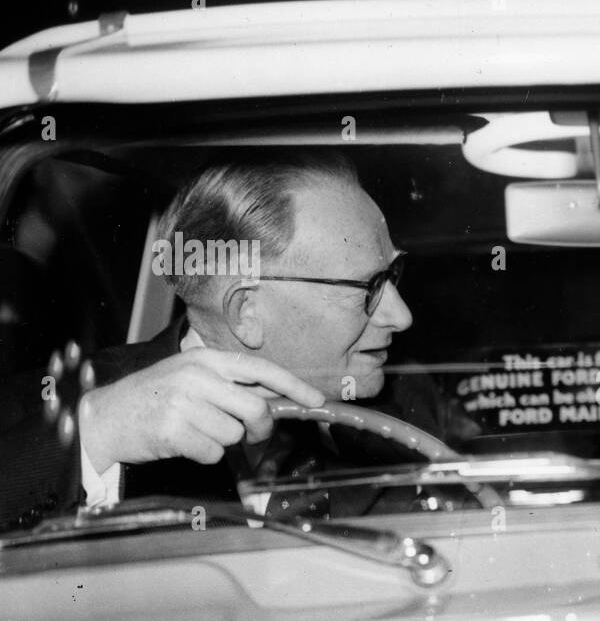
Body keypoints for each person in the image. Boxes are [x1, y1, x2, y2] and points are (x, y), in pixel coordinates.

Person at [2, 154, 473, 528]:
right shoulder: (53, 414)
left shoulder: (411, 407)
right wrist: (96, 437)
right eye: (369, 288)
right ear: (247, 312)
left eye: (394, 274)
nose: (402, 315)